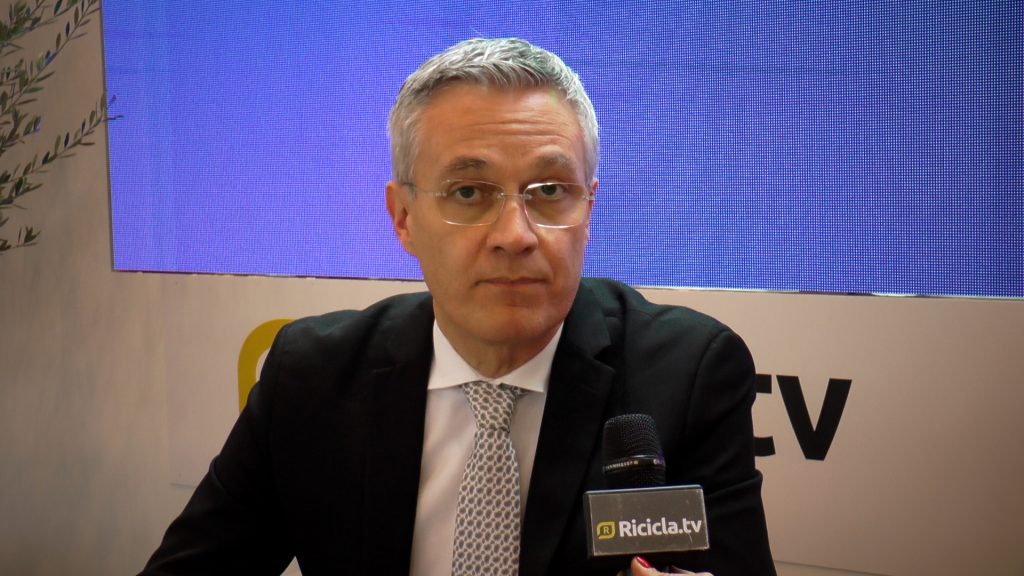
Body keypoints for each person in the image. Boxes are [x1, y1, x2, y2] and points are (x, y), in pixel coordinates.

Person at [140, 38, 775, 576]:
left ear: (589, 209)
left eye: (550, 191)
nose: (515, 235)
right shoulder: (313, 376)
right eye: (469, 192)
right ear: (403, 217)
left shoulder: (688, 376)